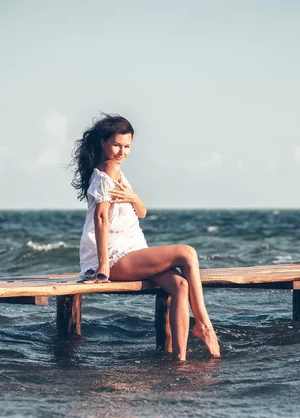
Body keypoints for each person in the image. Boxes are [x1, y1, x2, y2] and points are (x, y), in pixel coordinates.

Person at [71, 113, 220, 360]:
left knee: (181, 286)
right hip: (115, 256)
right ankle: (204, 324)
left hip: (134, 250)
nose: (121, 151)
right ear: (103, 143)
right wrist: (103, 266)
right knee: (187, 253)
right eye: (117, 144)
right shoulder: (108, 169)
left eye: (127, 146)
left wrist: (133, 197)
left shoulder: (116, 171)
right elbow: (100, 218)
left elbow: (142, 212)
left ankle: (179, 359)